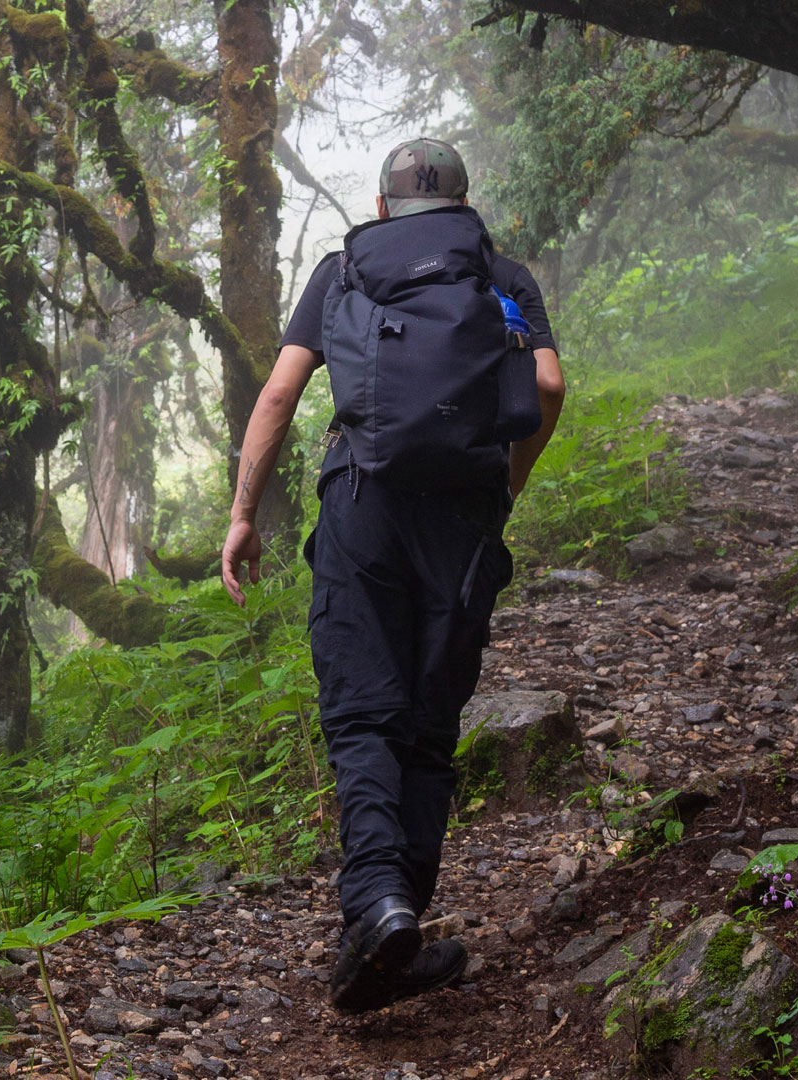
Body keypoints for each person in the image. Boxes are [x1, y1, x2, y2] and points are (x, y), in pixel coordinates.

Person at [221, 138, 567, 1013]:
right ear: (460, 201)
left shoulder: (345, 270)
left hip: (362, 505)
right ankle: (393, 913)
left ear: (383, 207)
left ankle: (379, 910)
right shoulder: (502, 272)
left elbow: (277, 397)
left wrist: (242, 516)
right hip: (464, 517)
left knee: (362, 712)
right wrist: (504, 491)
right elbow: (551, 387)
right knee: (427, 718)